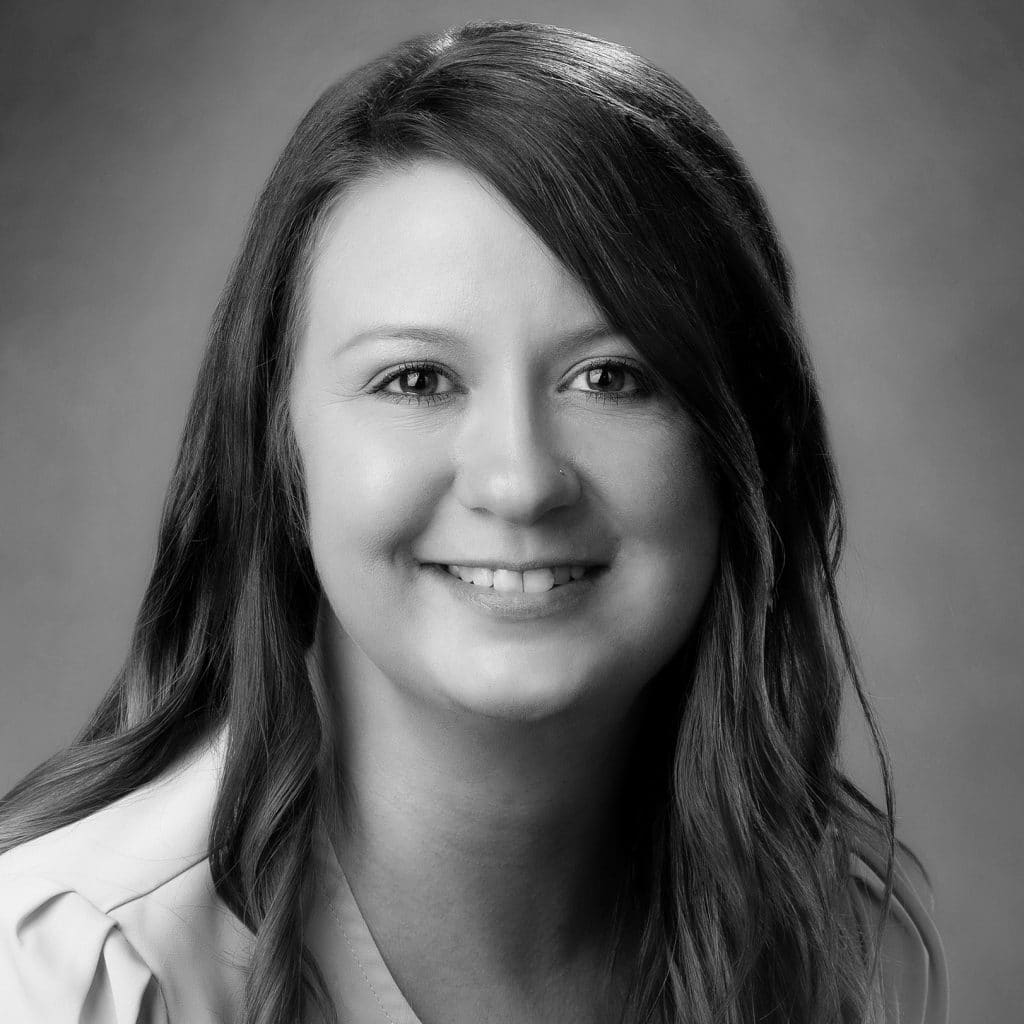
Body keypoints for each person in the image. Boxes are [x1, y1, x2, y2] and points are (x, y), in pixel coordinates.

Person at [0, 19, 948, 1024]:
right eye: (415, 378)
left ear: (734, 445)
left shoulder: (840, 953)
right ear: (280, 449)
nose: (521, 479)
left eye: (611, 376)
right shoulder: (69, 978)